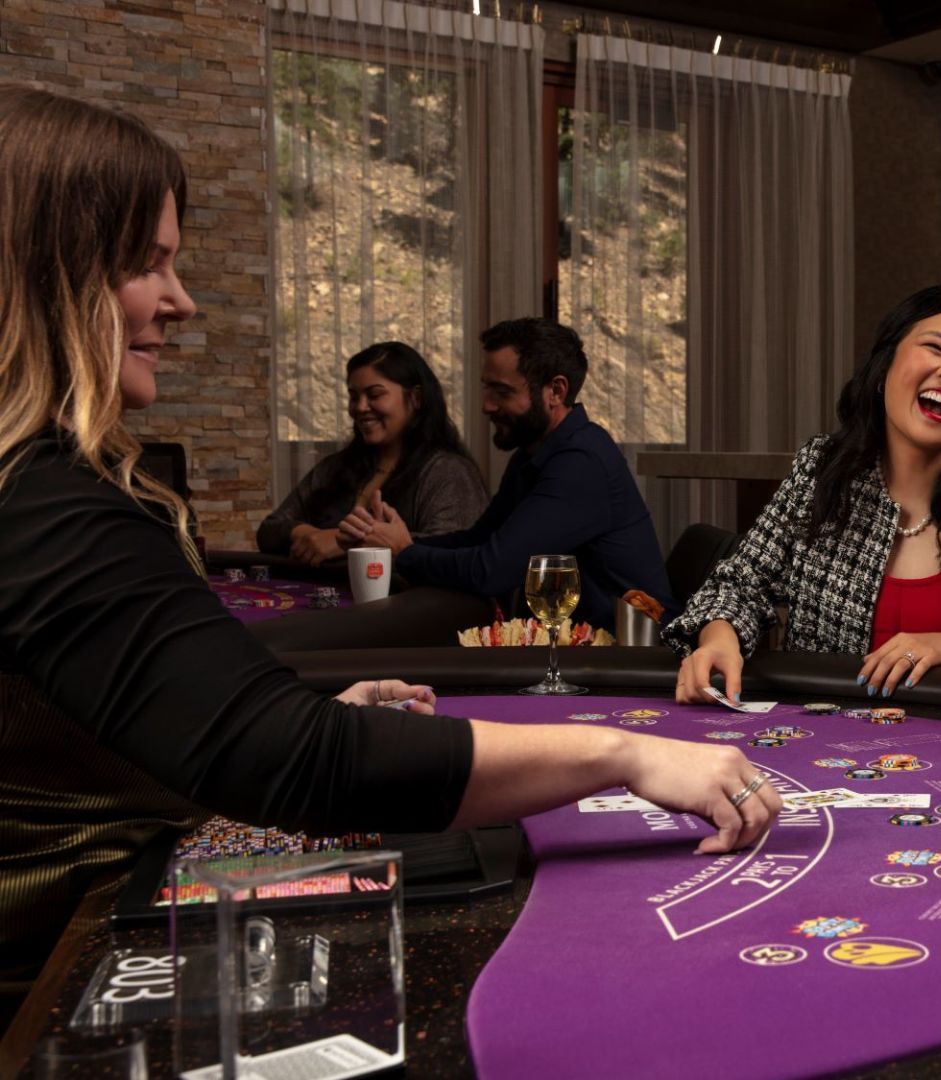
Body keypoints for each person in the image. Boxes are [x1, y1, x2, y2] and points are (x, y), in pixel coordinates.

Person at [0, 87, 776, 1004]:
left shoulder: (571, 462)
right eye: (148, 264)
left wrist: (312, 680)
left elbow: (483, 569)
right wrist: (628, 755)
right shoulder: (41, 497)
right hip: (41, 959)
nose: (182, 299)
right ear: (54, 272)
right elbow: (292, 759)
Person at [666, 286, 941, 703]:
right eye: (934, 347)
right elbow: (739, 584)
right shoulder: (822, 472)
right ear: (885, 366)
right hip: (821, 743)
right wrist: (719, 639)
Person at [342, 317, 676, 629]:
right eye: (487, 388)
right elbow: (480, 539)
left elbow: (491, 571)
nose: (487, 405)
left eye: (502, 392)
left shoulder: (580, 462)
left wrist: (406, 552)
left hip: (626, 653)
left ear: (555, 392)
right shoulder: (535, 450)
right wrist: (393, 539)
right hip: (572, 647)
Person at [256, 341, 488, 565]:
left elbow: (453, 552)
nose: (360, 407)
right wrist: (307, 535)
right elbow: (270, 529)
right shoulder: (335, 467)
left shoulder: (448, 472)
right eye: (354, 397)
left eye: (374, 395)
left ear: (416, 398)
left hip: (406, 604)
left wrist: (345, 543)